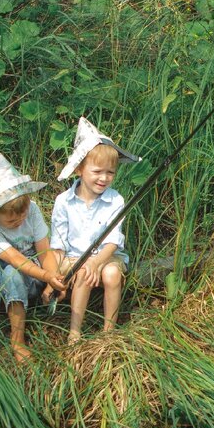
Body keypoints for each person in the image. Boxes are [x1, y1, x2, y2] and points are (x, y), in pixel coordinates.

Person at [0, 151, 66, 363]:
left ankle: (17, 338)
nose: (20, 220)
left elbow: (44, 251)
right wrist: (46, 275)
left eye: (23, 214)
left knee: (12, 273)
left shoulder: (32, 211)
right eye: (11, 221)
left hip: (26, 281)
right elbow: (13, 257)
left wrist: (52, 279)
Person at [51, 117, 140, 344]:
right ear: (80, 169)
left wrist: (95, 262)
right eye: (97, 171)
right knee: (79, 269)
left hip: (107, 256)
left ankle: (108, 332)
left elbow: (112, 242)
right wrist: (52, 275)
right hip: (72, 258)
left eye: (110, 172)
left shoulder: (115, 200)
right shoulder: (63, 201)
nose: (104, 178)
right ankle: (75, 330)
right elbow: (58, 245)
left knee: (110, 274)